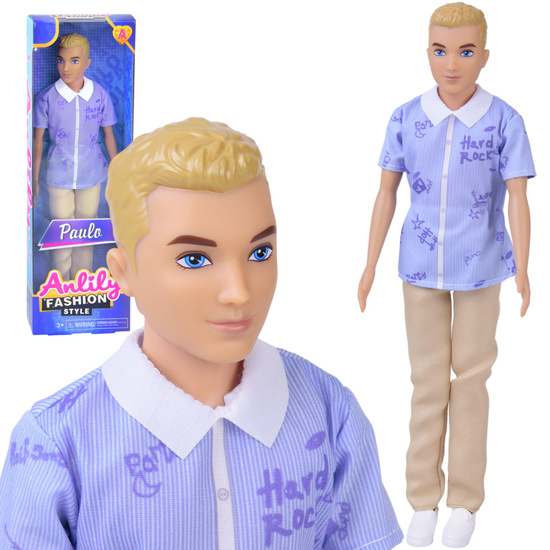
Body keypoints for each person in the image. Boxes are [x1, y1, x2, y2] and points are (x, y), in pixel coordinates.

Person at [1, 118, 403, 549]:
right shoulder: (56, 443)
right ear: (122, 272)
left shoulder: (329, 411)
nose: (239, 291)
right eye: (194, 259)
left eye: (260, 252)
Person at [358, 3, 534, 547]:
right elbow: (385, 193)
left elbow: (519, 198)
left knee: (472, 380)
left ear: (485, 56)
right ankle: (422, 498)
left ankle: (464, 500)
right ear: (427, 52)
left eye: (465, 51)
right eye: (440, 50)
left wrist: (525, 269)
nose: (451, 64)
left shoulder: (504, 120)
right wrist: (368, 264)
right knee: (427, 382)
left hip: (482, 265)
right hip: (419, 266)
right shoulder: (406, 118)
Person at [33, 33, 118, 281]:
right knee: (61, 231)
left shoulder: (99, 95)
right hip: (57, 174)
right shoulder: (47, 97)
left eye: (74, 60)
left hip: (92, 172)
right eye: (61, 60)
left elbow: (109, 135)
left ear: (87, 63)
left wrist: (119, 170)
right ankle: (58, 282)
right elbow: (37, 141)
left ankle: (82, 281)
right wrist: (33, 178)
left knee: (87, 230)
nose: (66, 67)